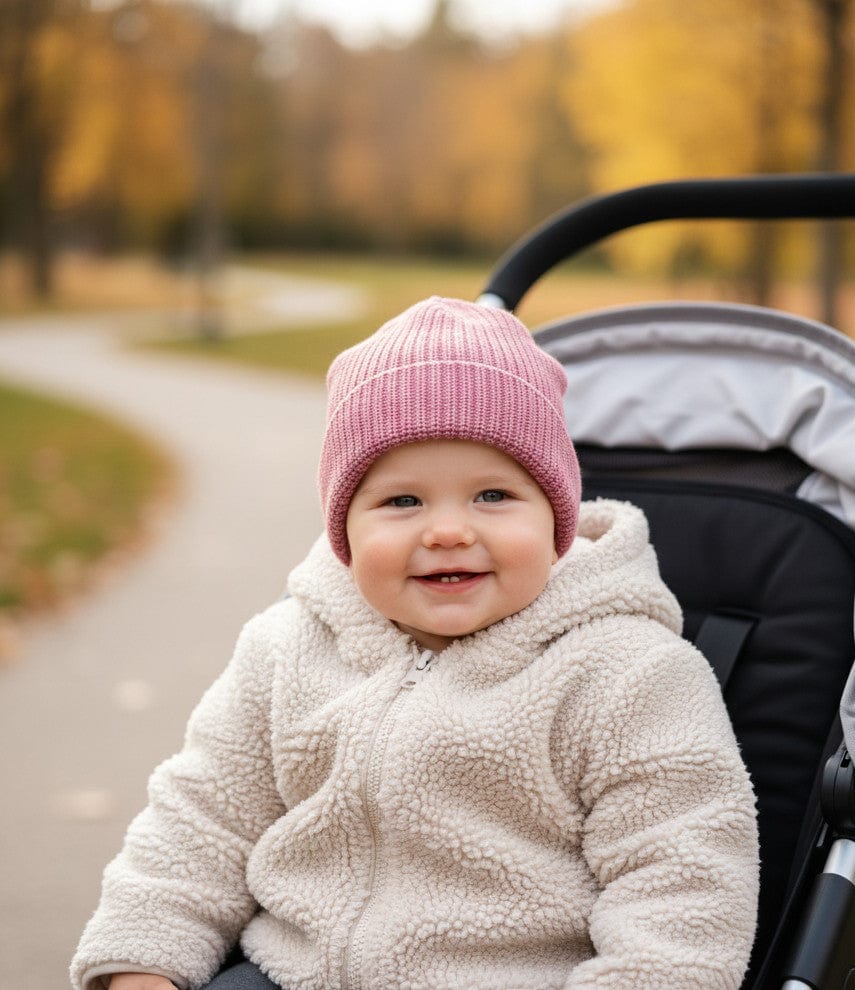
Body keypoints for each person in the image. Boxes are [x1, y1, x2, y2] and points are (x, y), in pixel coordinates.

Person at [71, 297, 759, 990]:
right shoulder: (286, 647)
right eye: (402, 501)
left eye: (493, 496)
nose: (448, 531)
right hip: (289, 972)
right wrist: (143, 961)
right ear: (345, 529)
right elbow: (199, 820)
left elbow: (682, 885)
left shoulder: (630, 675)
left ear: (556, 519)